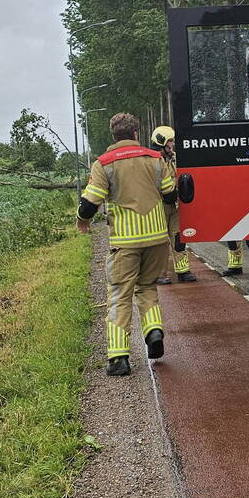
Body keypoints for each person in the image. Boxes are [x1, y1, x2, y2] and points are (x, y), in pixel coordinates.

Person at [76, 112, 176, 376]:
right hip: (156, 238)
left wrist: (81, 220)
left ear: (114, 136)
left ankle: (118, 359)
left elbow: (90, 202)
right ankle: (154, 332)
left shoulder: (104, 163)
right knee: (147, 288)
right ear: (135, 134)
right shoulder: (156, 159)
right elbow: (170, 193)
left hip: (125, 241)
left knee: (120, 296)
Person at [150, 125, 197, 285]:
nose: (173, 144)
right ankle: (159, 274)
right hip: (158, 206)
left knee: (179, 237)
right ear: (162, 142)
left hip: (175, 205)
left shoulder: (176, 158)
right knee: (160, 241)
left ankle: (183, 271)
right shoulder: (152, 161)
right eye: (170, 142)